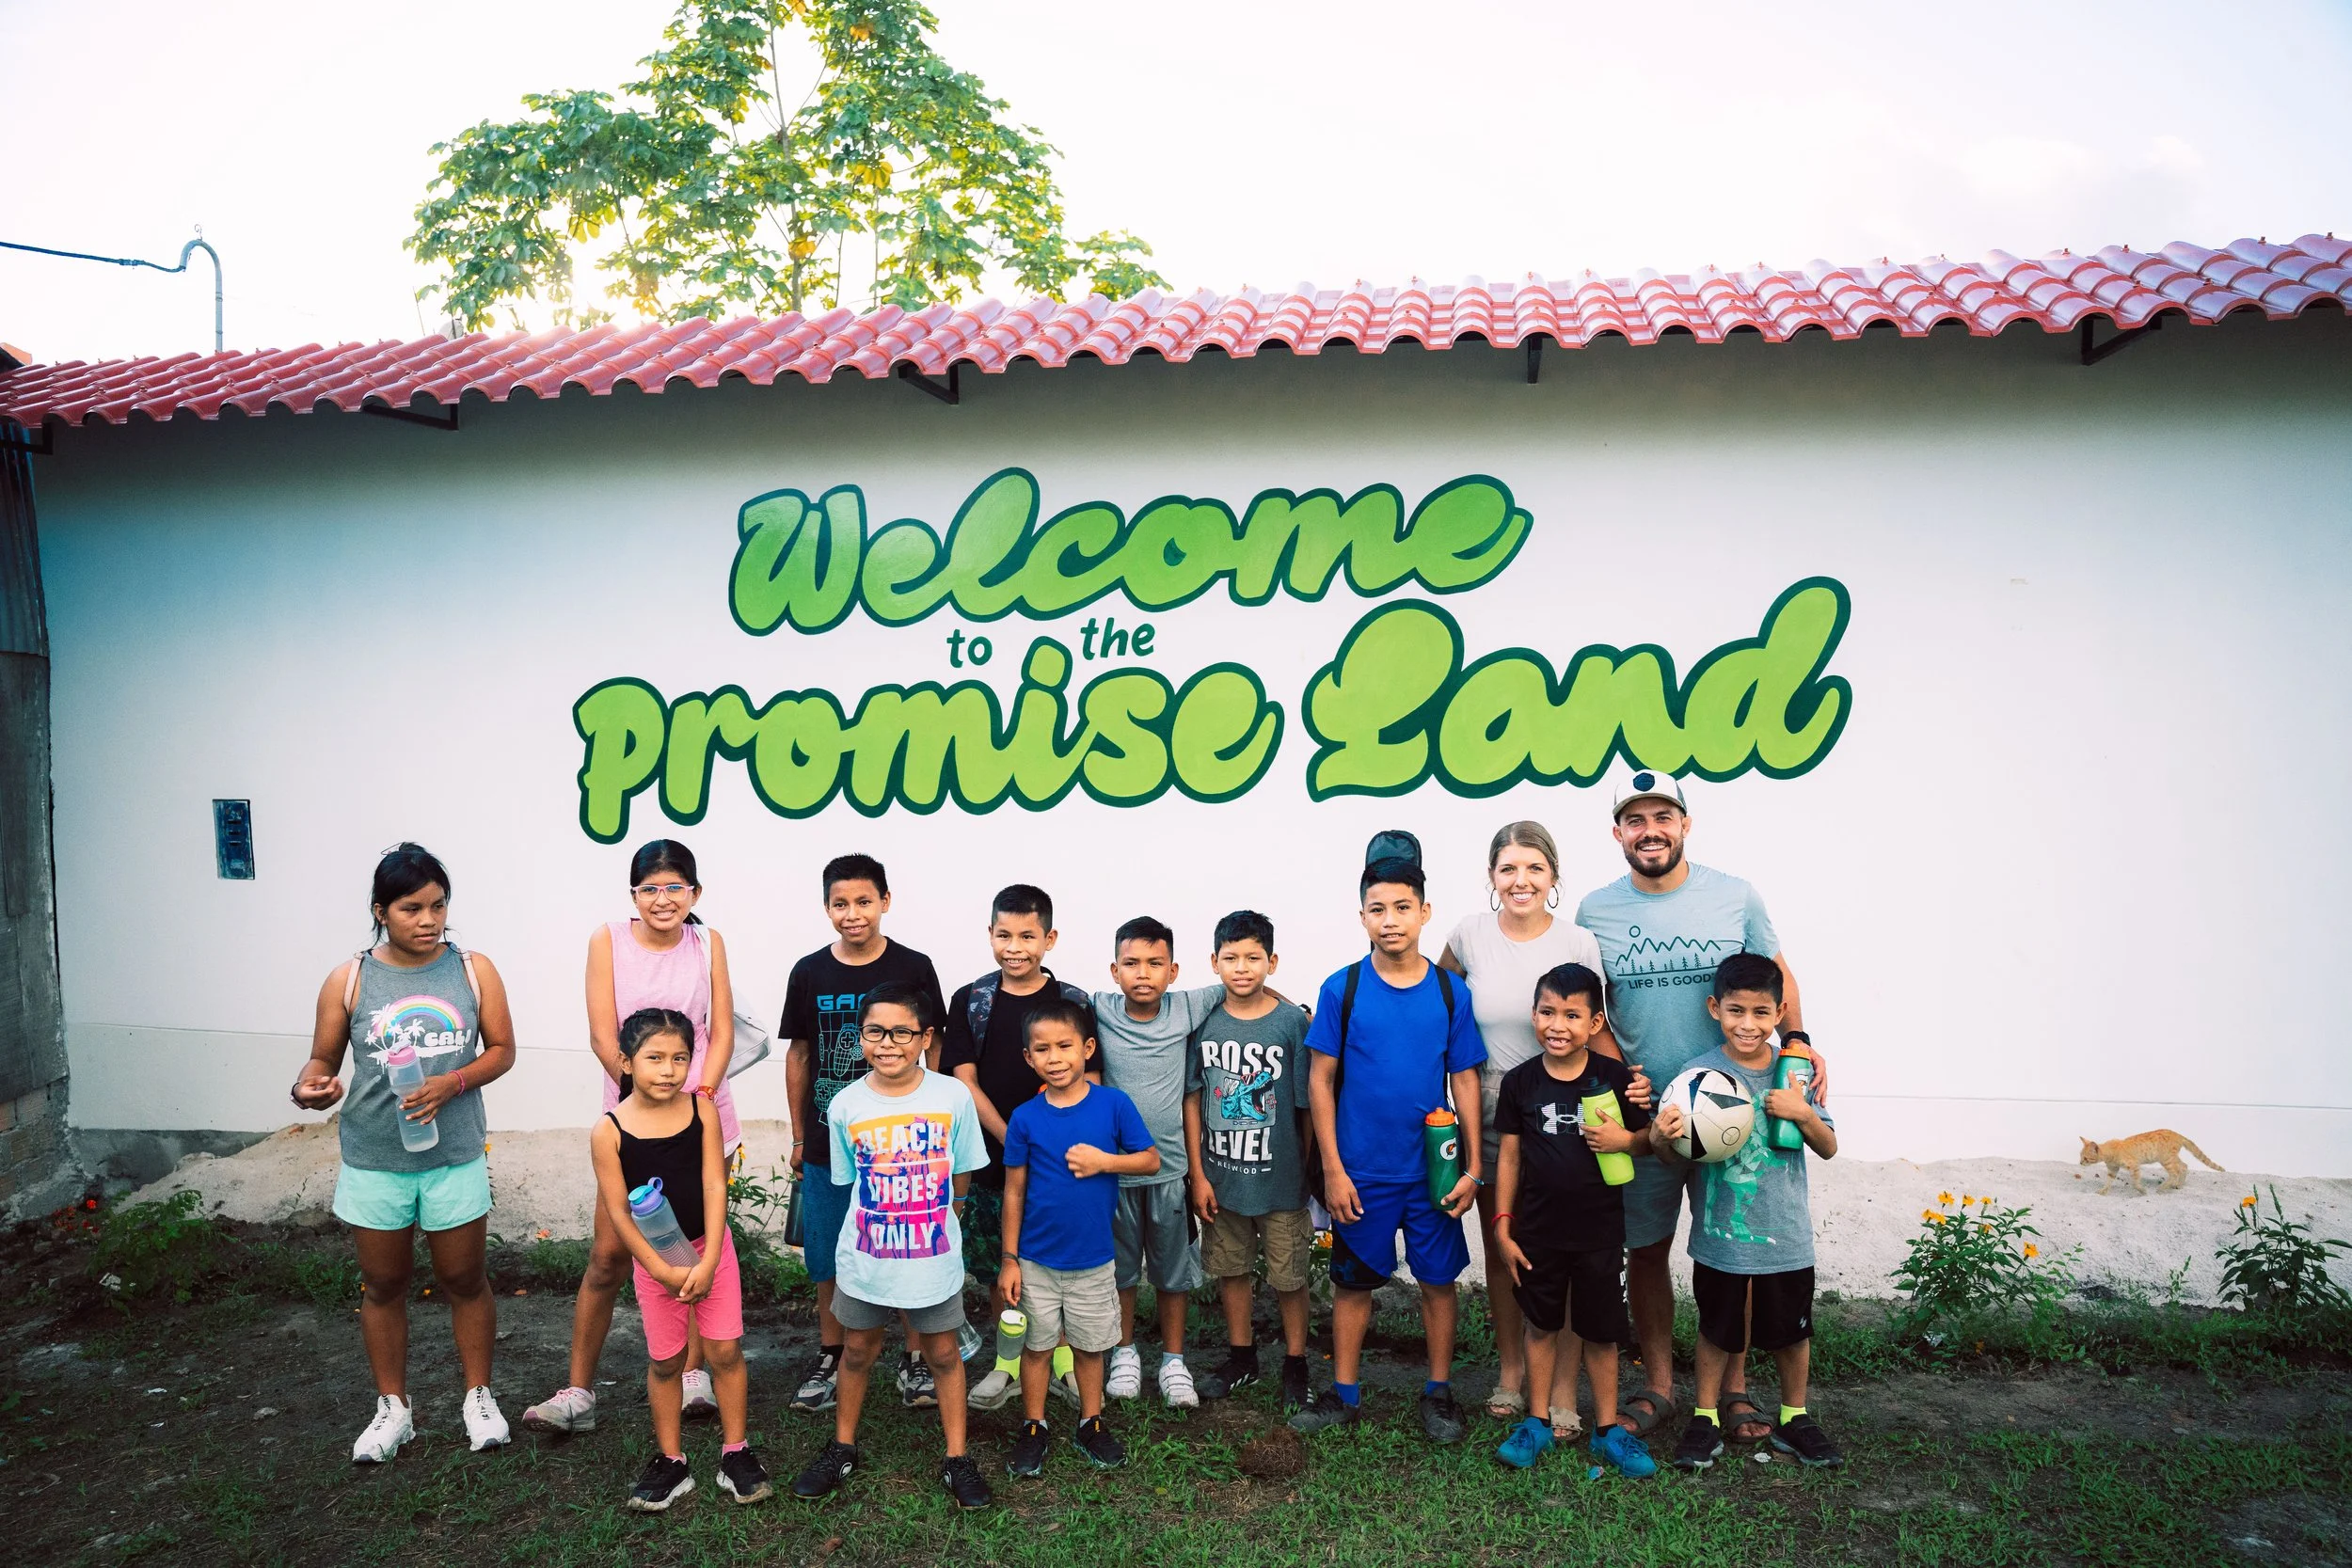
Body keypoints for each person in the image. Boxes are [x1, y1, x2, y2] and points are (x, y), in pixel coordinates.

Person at [1576, 771, 1824, 1446]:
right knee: (1648, 1250)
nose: (1649, 828)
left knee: (1734, 1256)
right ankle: (1658, 1385)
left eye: (1662, 815)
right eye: (1635, 818)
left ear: (1685, 824)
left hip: (1736, 1117)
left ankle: (1734, 1392)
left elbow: (1777, 970)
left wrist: (1798, 1040)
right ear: (1618, 831)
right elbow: (1593, 1005)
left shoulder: (1734, 895)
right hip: (1653, 1117)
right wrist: (1620, 1068)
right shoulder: (1594, 910)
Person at [291, 843, 516, 1464]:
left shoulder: (473, 969)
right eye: (412, 907)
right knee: (384, 1283)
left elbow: (501, 1049)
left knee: (464, 1278)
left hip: (455, 1153)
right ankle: (395, 1408)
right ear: (380, 910)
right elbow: (322, 1059)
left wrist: (454, 1081)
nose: (429, 918)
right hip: (374, 1156)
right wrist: (310, 1086)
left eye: (438, 904)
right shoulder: (351, 978)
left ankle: (478, 1397)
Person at [523, 839, 740, 1437]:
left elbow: (718, 1031)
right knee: (608, 1253)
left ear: (695, 893)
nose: (663, 899)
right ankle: (578, 1391)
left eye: (676, 888)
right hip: (629, 1114)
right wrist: (640, 1102)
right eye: (651, 888)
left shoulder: (709, 943)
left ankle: (692, 1373)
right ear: (633, 895)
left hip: (700, 1113)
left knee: (693, 1244)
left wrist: (699, 1098)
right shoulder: (608, 939)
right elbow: (601, 1033)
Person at [1290, 852, 1486, 1444]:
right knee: (1352, 1284)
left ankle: (1439, 1391)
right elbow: (1320, 1080)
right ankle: (1344, 1392)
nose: (1391, 920)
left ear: (1425, 913)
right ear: (1362, 916)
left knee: (1437, 1283)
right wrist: (1332, 1168)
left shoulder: (1450, 993)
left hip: (1432, 1171)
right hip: (1360, 1172)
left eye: (1403, 907)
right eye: (1378, 909)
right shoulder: (1342, 988)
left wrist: (1474, 1168)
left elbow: (1467, 1079)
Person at [1437, 819, 1618, 1429]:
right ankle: (1512, 1370)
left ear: (1554, 877)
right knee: (1504, 1245)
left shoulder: (1578, 942)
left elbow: (1598, 1030)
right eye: (1509, 868)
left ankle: (1564, 1386)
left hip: (1570, 1110)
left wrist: (1633, 1090)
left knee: (1565, 1250)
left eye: (1535, 868)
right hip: (1492, 1108)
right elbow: (1434, 1013)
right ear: (1492, 876)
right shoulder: (1467, 936)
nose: (1522, 880)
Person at [790, 982, 994, 1510]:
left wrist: (950, 1213)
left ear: (926, 1037)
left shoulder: (952, 1096)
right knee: (856, 1351)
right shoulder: (845, 1104)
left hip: (933, 1261)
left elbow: (964, 1172)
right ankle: (841, 1447)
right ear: (860, 1039)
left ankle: (957, 1458)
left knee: (944, 1354)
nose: (888, 1043)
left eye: (902, 1032)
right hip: (866, 1260)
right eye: (875, 1032)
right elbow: (849, 1179)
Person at [1650, 953, 1843, 1470]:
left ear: (1780, 1013)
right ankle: (1705, 1416)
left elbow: (1828, 1147)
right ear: (1715, 1008)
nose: (1748, 1024)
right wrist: (1658, 1136)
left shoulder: (1794, 1075)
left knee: (1792, 1331)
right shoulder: (1698, 1075)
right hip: (1721, 1234)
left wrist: (1802, 1113)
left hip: (1785, 1235)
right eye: (1736, 1011)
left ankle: (1794, 1417)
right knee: (1717, 1329)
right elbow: (1669, 1154)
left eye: (1761, 1013)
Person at [777, 853, 947, 1417]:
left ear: (886, 902)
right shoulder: (809, 972)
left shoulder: (915, 966)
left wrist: (936, 1118)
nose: (853, 914)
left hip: (903, 1144)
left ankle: (916, 1358)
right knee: (828, 1254)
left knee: (909, 1244)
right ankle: (832, 1353)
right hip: (831, 1139)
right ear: (826, 907)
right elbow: (800, 1053)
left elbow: (935, 1045)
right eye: (840, 904)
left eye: (864, 902)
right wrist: (801, 1134)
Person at [592, 1008, 770, 1511]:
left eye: (680, 1059)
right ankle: (672, 1461)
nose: (668, 1070)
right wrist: (660, 1268)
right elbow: (620, 1212)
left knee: (726, 1352)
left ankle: (736, 1452)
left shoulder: (702, 1111)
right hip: (655, 1266)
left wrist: (710, 1256)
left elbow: (716, 1183)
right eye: (654, 1058)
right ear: (625, 1063)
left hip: (712, 1252)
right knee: (666, 1360)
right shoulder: (608, 1132)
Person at [1489, 963, 1657, 1477]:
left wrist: (1629, 1139)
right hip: (1537, 1230)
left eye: (1572, 1014)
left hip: (1600, 1232)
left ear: (1595, 1022)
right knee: (1540, 1326)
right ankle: (1537, 1421)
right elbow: (1511, 1157)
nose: (1557, 1024)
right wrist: (1501, 1223)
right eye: (1547, 1012)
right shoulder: (1519, 1083)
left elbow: (1651, 1142)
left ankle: (1608, 1431)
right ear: (1533, 1014)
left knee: (1601, 1333)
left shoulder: (1615, 1080)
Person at [941, 884, 1095, 1410]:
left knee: (1061, 1265)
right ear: (989, 935)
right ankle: (1007, 1364)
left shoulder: (1073, 1002)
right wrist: (1013, 1142)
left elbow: (1087, 1083)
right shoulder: (972, 1001)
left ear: (1049, 938)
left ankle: (1064, 1362)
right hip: (990, 1160)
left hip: (1060, 1165)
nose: (1015, 946)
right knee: (998, 1268)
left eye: (1028, 935)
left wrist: (1045, 1147)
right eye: (1004, 934)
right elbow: (964, 1080)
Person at [998, 996, 1160, 1474]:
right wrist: (1010, 1259)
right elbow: (1014, 1191)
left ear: (1087, 1048)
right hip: (1036, 1260)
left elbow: (1150, 1159)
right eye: (1042, 1049)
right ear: (1029, 1058)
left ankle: (1091, 1421)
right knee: (1038, 1346)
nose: (1055, 1058)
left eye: (1065, 1046)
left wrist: (1105, 1162)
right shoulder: (1026, 1117)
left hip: (1093, 1258)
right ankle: (1034, 1425)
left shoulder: (1113, 1104)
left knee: (1091, 1346)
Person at [1184, 910, 1317, 1412]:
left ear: (1272, 962)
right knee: (1230, 1268)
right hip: (1222, 1178)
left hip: (1280, 1179)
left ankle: (1296, 1361)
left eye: (1253, 958)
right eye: (1231, 958)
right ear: (1214, 962)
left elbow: (1304, 1105)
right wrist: (1199, 1174)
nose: (1242, 968)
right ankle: (1242, 1356)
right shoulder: (1204, 1021)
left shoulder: (1290, 1024)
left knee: (1289, 1276)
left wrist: (1302, 1170)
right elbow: (1193, 1097)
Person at [1090, 915, 1224, 1407]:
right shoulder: (1099, 1009)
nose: (1143, 973)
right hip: (1115, 1175)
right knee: (1120, 1272)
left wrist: (1197, 1172)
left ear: (1173, 970)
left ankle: (1173, 1360)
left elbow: (1242, 979)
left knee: (1172, 1275)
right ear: (1114, 970)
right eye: (1131, 964)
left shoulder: (1188, 1006)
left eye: (1155, 963)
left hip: (1170, 1174)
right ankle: (1124, 1353)